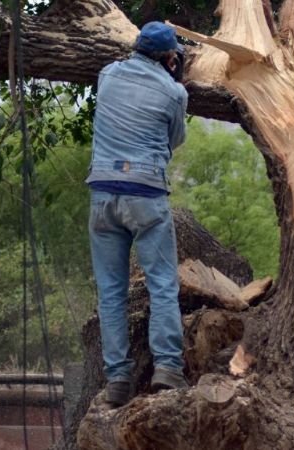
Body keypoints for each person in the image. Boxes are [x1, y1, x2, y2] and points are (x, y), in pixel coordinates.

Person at [86, 21, 189, 407]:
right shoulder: (173, 92)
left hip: (102, 194)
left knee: (110, 293)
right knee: (161, 283)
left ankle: (117, 379)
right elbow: (174, 140)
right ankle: (167, 367)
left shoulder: (107, 75)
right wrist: (175, 80)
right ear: (169, 57)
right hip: (145, 192)